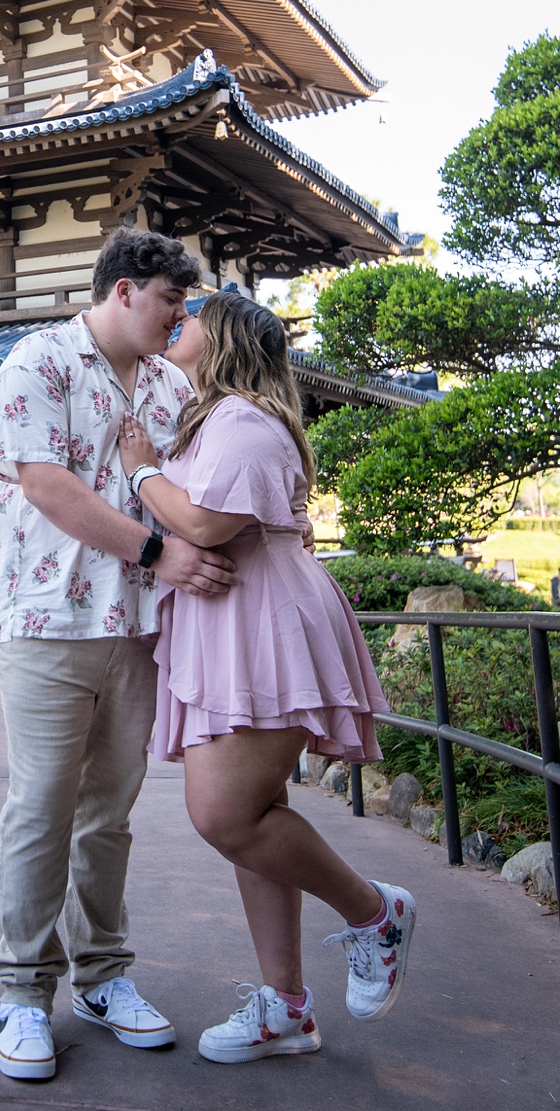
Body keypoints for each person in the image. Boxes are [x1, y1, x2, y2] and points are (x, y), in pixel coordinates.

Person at [118, 290, 416, 1065]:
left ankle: (374, 911)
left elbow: (208, 523)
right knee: (257, 813)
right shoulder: (216, 417)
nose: (178, 315)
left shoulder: (244, 420)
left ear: (227, 340)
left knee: (224, 814)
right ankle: (285, 1007)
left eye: (194, 312)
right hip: (234, 619)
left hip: (259, 620)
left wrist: (141, 472)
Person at [0, 229, 238, 1082]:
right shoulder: (39, 359)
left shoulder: (172, 384)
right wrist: (158, 552)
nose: (180, 315)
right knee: (42, 804)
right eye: (171, 299)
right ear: (125, 290)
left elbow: (198, 487)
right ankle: (23, 990)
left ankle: (102, 976)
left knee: (110, 810)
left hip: (140, 627)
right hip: (50, 619)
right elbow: (48, 485)